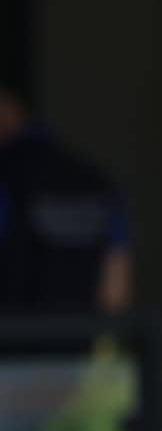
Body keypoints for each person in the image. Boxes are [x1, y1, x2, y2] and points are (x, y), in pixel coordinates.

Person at [0, 75, 132, 323]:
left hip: (16, 338)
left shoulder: (8, 177)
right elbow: (115, 294)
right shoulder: (95, 181)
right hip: (81, 338)